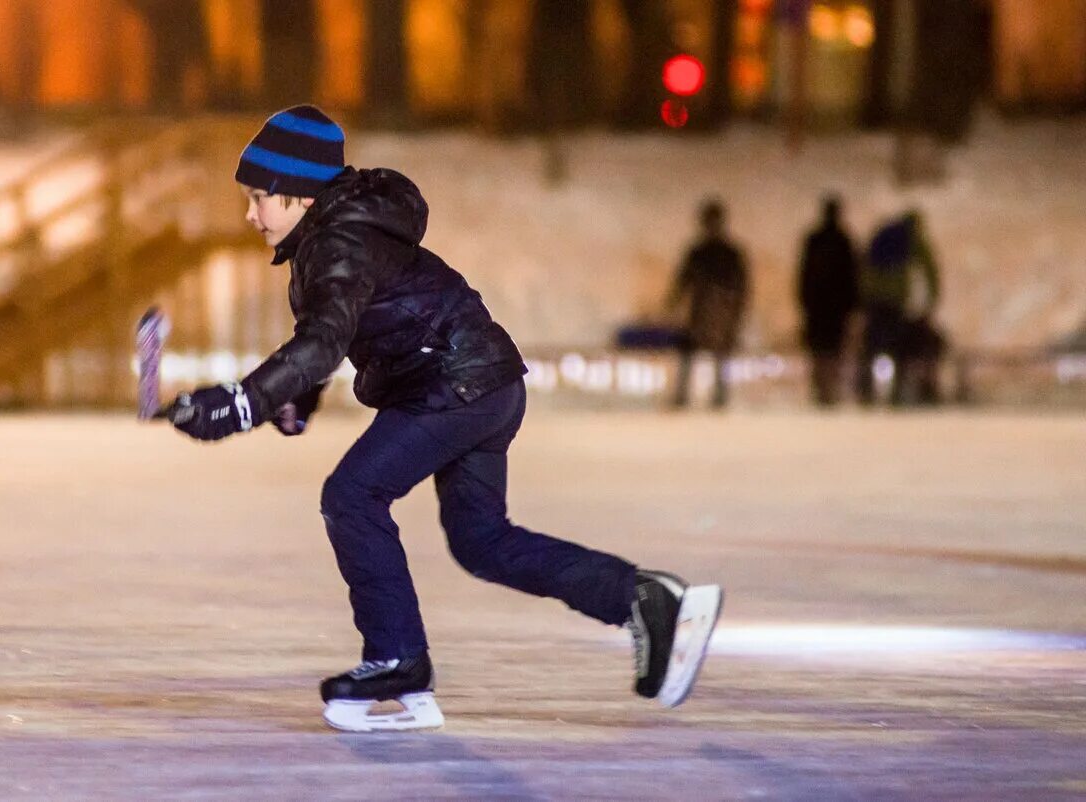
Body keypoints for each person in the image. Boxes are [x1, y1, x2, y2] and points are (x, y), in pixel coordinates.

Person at [160, 106, 723, 732]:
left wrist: (243, 402)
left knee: (352, 494)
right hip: (483, 383)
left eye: (258, 198)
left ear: (295, 194)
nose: (250, 214)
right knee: (480, 541)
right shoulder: (342, 232)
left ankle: (396, 657)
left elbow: (322, 341)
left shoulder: (337, 240)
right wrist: (295, 399)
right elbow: (341, 335)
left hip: (451, 384)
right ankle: (643, 598)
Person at [666, 200, 750, 409]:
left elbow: (740, 288)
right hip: (703, 313)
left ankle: (714, 398)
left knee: (717, 354)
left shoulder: (725, 253)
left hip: (717, 312)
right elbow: (683, 281)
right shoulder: (702, 252)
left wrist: (735, 313)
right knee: (695, 351)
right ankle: (687, 398)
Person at [858, 210, 942, 406]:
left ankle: (866, 390)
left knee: (872, 347)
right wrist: (930, 301)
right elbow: (929, 271)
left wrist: (864, 298)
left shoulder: (881, 236)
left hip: (874, 300)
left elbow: (864, 268)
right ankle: (896, 392)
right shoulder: (913, 240)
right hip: (896, 300)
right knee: (897, 348)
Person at [797, 196, 860, 406]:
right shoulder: (841, 241)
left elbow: (805, 275)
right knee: (829, 350)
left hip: (824, 306)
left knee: (824, 350)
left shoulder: (822, 241)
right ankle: (827, 391)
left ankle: (824, 391)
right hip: (830, 306)